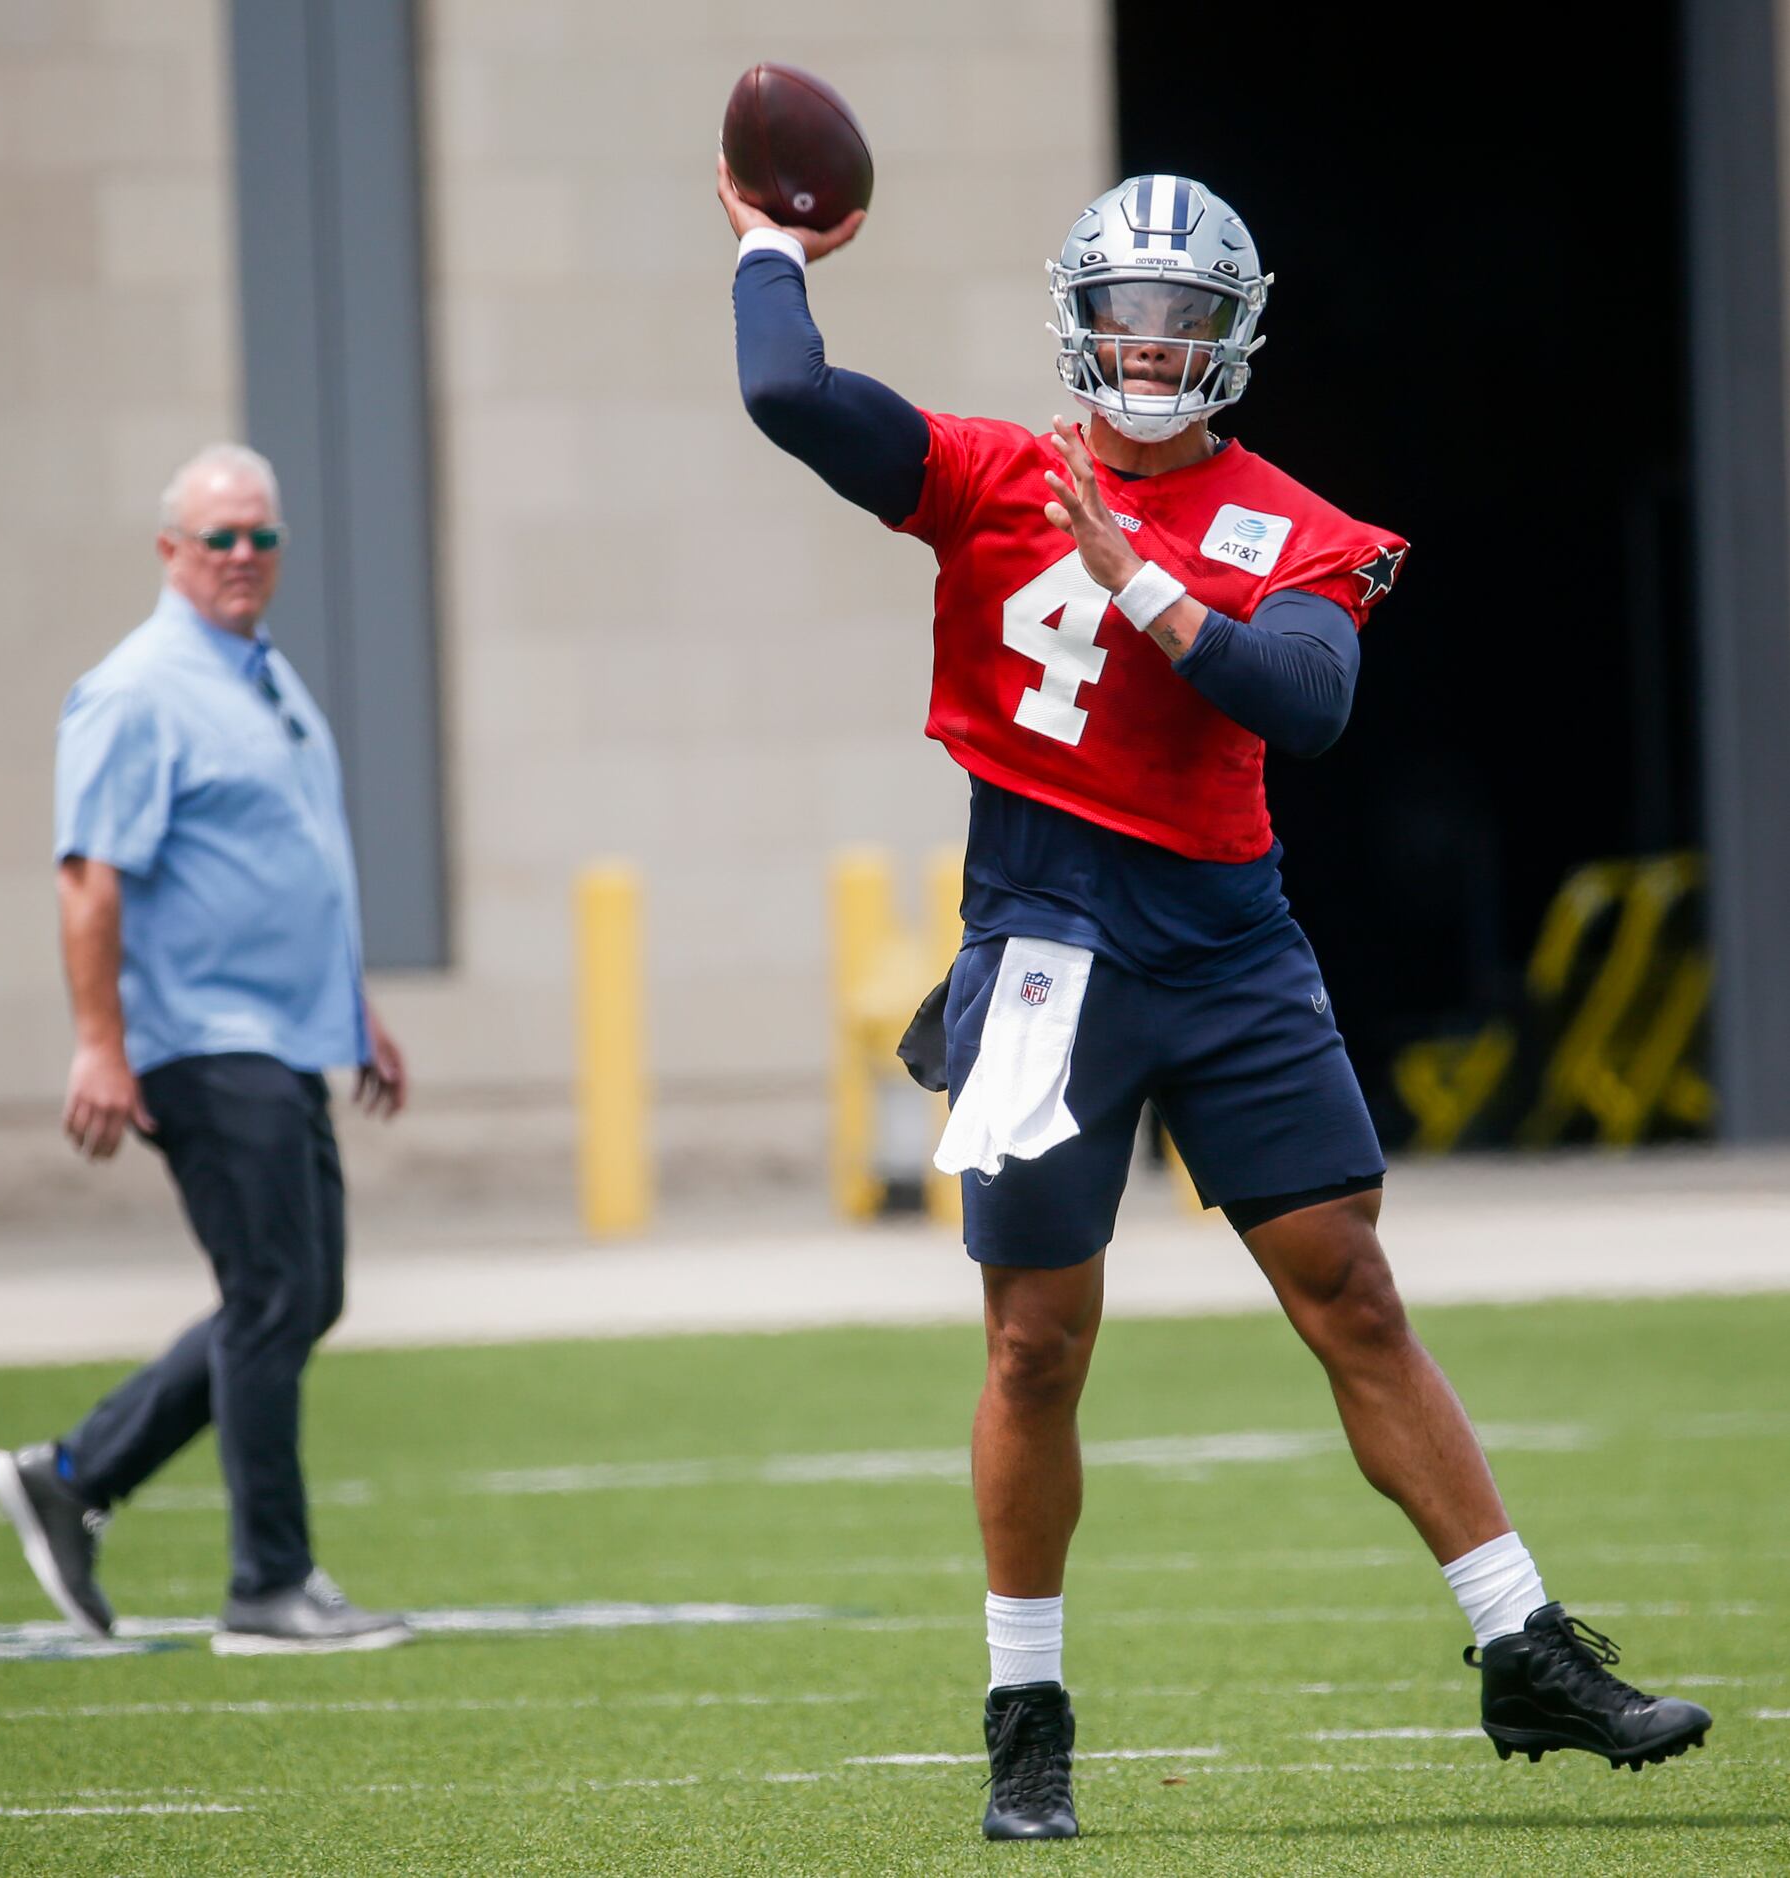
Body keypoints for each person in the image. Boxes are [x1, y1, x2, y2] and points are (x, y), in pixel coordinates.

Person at [718, 165, 1710, 1839]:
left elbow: (1308, 701)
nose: (1155, 346)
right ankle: (1025, 1709)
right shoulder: (990, 471)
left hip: (1231, 949)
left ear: (1234, 336)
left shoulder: (1287, 522)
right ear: (1082, 322)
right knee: (1037, 1345)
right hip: (1047, 941)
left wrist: (1152, 583)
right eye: (1129, 314)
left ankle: (1521, 1640)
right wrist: (767, 241)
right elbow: (785, 392)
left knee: (1358, 1294)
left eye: (1186, 319)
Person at [0, 443, 413, 1656]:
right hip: (201, 1039)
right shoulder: (138, 689)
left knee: (296, 1293)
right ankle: (267, 1587)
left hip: (283, 1037)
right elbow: (88, 881)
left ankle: (73, 1477)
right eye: (217, 537)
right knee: (276, 1293)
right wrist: (98, 1045)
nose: (241, 557)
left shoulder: (257, 675)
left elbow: (291, 872)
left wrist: (354, 1013)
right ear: (170, 551)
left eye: (259, 537)